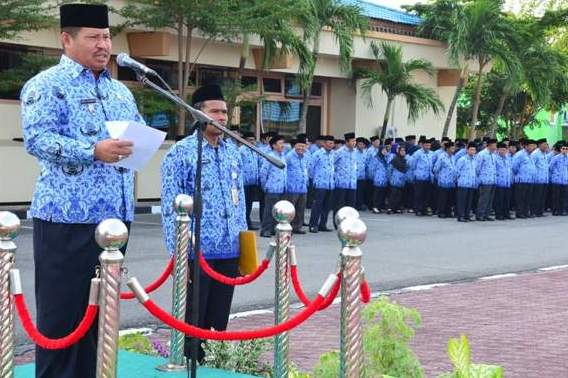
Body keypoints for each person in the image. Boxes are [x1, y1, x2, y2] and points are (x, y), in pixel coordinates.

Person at [20, 4, 142, 377]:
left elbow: (134, 133)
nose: (103, 44)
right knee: (63, 318)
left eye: (106, 37)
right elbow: (38, 139)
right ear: (66, 39)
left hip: (115, 221)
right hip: (66, 219)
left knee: (101, 320)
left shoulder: (120, 91)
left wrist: (133, 145)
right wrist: (92, 151)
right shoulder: (46, 85)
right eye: (93, 37)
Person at [161, 84, 247, 362]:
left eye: (224, 112)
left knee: (220, 318)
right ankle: (191, 362)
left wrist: (245, 245)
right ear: (198, 113)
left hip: (230, 249)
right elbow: (169, 207)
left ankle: (215, 361)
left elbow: (240, 201)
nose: (222, 118)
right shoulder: (181, 153)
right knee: (194, 319)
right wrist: (178, 252)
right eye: (215, 112)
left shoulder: (233, 151)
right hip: (198, 250)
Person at [259, 134, 287, 237]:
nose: (282, 145)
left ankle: (275, 229)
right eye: (280, 143)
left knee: (279, 212)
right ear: (274, 145)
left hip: (282, 188)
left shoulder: (283, 156)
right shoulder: (270, 157)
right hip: (272, 188)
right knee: (269, 211)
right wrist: (265, 186)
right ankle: (265, 230)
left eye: (283, 143)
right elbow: (263, 173)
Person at [308, 135, 335, 233]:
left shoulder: (333, 154)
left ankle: (323, 225)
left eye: (332, 143)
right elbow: (311, 168)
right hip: (320, 183)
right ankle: (313, 225)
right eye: (328, 143)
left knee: (327, 206)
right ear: (324, 144)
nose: (330, 145)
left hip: (330, 184)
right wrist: (314, 179)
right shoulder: (317, 154)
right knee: (317, 205)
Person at [285, 136, 309, 234]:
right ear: (295, 146)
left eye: (303, 146)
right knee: (290, 209)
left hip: (303, 187)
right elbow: (284, 171)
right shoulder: (289, 156)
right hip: (292, 186)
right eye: (299, 146)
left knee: (300, 208)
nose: (301, 148)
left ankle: (297, 227)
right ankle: (287, 227)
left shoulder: (305, 156)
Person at [333, 132, 358, 225]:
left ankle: (349, 224)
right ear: (347, 142)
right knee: (339, 205)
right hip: (341, 183)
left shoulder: (355, 152)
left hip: (352, 183)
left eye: (355, 141)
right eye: (352, 141)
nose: (354, 143)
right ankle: (337, 223)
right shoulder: (339, 152)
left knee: (351, 206)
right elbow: (332, 164)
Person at [239, 131, 260, 230]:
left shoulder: (255, 151)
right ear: (245, 141)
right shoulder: (241, 151)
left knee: (250, 203)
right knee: (245, 203)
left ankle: (248, 220)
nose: (252, 142)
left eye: (253, 140)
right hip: (244, 182)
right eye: (250, 140)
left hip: (253, 182)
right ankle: (245, 222)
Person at [512, 139, 537, 218]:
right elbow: (514, 167)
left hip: (530, 180)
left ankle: (526, 212)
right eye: (531, 146)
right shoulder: (520, 154)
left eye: (533, 146)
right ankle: (520, 213)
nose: (533, 148)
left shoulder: (531, 155)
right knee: (520, 198)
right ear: (526, 146)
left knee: (528, 198)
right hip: (521, 180)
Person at [475, 138, 497, 221]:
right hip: (484, 180)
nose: (495, 147)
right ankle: (480, 215)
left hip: (493, 179)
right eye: (494, 145)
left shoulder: (494, 155)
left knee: (490, 199)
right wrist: (479, 178)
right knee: (484, 198)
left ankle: (486, 215)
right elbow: (477, 168)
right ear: (489, 145)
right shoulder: (482, 154)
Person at [433, 141, 457, 218]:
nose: (454, 149)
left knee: (450, 198)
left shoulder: (453, 157)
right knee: (442, 198)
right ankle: (441, 212)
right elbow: (436, 169)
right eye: (452, 148)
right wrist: (439, 177)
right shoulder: (442, 157)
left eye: (454, 147)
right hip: (443, 181)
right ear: (447, 149)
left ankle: (448, 212)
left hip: (451, 181)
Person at [455, 142, 478, 222]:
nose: (472, 151)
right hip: (463, 183)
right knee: (462, 201)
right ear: (467, 150)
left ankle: (466, 215)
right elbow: (456, 171)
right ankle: (460, 216)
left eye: (474, 150)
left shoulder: (475, 160)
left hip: (471, 183)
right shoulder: (462, 160)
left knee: (469, 201)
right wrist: (459, 179)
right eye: (471, 149)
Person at [410, 138, 433, 216]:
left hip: (428, 177)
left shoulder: (431, 154)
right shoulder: (417, 153)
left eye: (429, 145)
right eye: (426, 145)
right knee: (418, 194)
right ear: (423, 145)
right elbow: (412, 164)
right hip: (419, 177)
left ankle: (424, 209)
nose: (428, 147)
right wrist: (416, 173)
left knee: (427, 195)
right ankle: (418, 209)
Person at [494, 142, 513, 220]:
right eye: (501, 150)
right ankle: (499, 214)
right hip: (499, 182)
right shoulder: (495, 158)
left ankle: (506, 214)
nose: (503, 151)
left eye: (505, 150)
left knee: (507, 199)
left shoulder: (508, 158)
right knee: (499, 200)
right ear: (498, 150)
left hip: (507, 182)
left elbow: (510, 169)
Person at [531, 138, 550, 217]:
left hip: (544, 179)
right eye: (544, 144)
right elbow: (532, 166)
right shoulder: (535, 153)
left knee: (542, 196)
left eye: (546, 144)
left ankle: (540, 211)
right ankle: (534, 211)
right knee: (536, 197)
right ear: (539, 145)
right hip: (537, 179)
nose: (546, 146)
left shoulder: (545, 153)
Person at [548, 142, 568, 216]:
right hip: (557, 180)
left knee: (564, 196)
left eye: (566, 149)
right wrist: (556, 174)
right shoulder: (556, 158)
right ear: (560, 149)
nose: (565, 150)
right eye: (563, 148)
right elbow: (550, 167)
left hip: (565, 180)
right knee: (556, 196)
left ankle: (563, 210)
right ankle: (555, 210)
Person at [387, 145, 407, 214]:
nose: (403, 152)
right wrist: (390, 178)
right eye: (401, 151)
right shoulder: (394, 159)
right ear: (398, 151)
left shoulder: (404, 160)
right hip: (395, 179)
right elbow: (389, 169)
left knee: (399, 194)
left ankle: (397, 208)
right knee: (393, 194)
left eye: (404, 151)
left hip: (402, 180)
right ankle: (390, 208)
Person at [371, 145, 389, 213]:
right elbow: (372, 169)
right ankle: (375, 207)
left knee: (382, 193)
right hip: (378, 178)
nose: (385, 151)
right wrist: (374, 177)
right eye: (383, 150)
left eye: (385, 150)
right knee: (377, 194)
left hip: (384, 179)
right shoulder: (376, 158)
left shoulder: (386, 158)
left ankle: (379, 206)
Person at [355, 137, 369, 210]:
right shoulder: (353, 152)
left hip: (362, 175)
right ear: (356, 145)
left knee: (361, 191)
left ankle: (360, 204)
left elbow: (366, 164)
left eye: (363, 144)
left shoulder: (365, 153)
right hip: (354, 176)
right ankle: (354, 205)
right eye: (359, 144)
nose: (361, 146)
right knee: (355, 192)